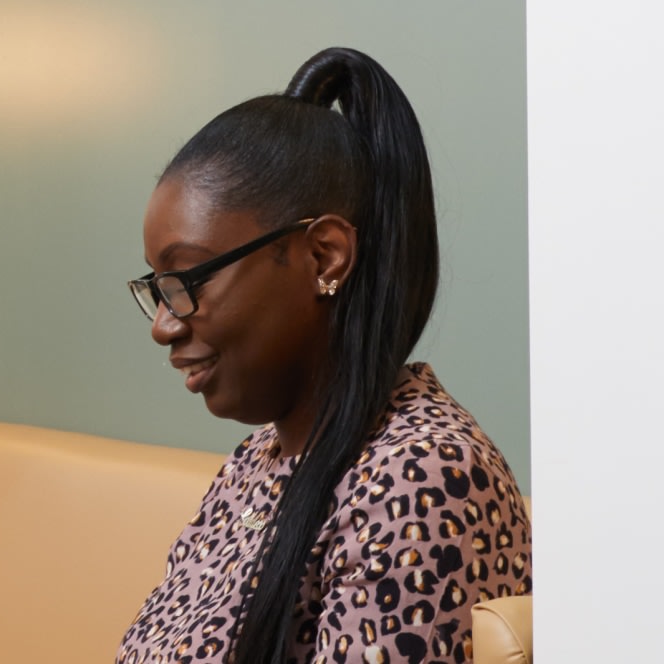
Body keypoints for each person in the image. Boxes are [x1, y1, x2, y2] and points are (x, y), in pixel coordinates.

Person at [115, 47, 531, 664]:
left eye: (188, 279)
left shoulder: (421, 478)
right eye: (157, 287)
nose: (164, 325)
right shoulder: (259, 459)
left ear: (324, 256)